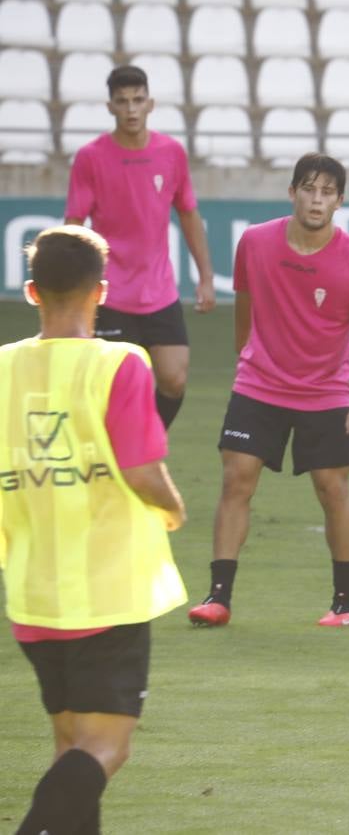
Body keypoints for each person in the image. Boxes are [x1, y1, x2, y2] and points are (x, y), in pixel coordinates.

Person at [2, 225, 188, 834]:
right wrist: (173, 508)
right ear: (100, 292)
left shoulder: (4, 369)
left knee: (69, 747)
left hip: (33, 595)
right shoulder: (119, 364)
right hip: (107, 594)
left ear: (32, 292)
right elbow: (140, 471)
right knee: (106, 747)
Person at [187, 153, 349, 629]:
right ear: (292, 192)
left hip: (325, 392)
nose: (316, 199)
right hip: (259, 383)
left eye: (327, 191)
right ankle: (218, 597)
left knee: (332, 488)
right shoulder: (256, 242)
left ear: (340, 201)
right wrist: (245, 356)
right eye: (308, 188)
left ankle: (347, 602)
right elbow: (246, 298)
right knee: (236, 479)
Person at [64, 64, 216, 431]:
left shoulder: (171, 153)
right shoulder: (91, 157)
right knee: (109, 391)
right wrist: (74, 288)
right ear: (110, 107)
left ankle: (146, 446)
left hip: (160, 293)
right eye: (122, 102)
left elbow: (189, 214)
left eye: (138, 100)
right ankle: (111, 458)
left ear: (150, 103)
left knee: (174, 379)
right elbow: (74, 225)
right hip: (110, 295)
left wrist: (206, 277)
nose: (131, 109)